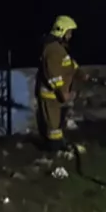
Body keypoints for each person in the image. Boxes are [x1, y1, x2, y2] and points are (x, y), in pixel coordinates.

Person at [38, 15, 80, 151]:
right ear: (61, 31)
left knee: (57, 124)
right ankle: (54, 153)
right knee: (53, 127)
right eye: (69, 32)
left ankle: (58, 147)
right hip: (51, 96)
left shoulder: (58, 48)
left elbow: (68, 65)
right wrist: (63, 94)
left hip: (56, 96)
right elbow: (53, 75)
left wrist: (81, 73)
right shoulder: (53, 50)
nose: (70, 35)